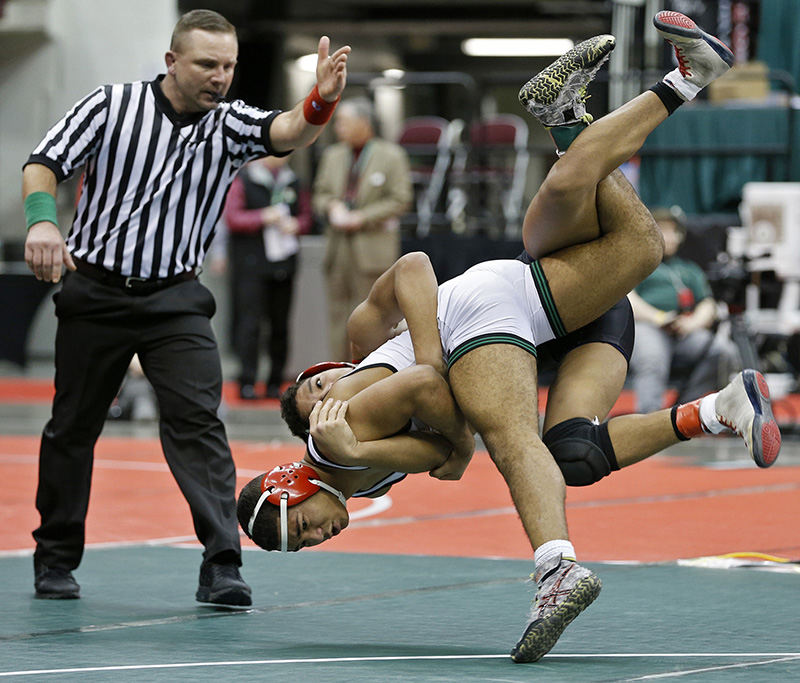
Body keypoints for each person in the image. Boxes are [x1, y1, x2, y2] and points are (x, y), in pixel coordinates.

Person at [239, 12, 771, 663]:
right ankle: (721, 408)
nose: (321, 537)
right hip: (527, 321)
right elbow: (449, 454)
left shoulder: (343, 421)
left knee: (513, 433)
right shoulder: (357, 466)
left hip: (477, 318)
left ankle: (556, 571)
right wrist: (443, 439)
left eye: (305, 529)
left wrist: (438, 378)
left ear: (290, 484)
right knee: (573, 450)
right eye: (311, 543)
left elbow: (435, 389)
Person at [22, 8, 350, 604]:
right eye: (206, 64)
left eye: (228, 66)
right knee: (72, 429)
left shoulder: (227, 125)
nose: (220, 77)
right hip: (94, 291)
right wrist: (43, 225)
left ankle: (223, 563)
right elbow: (44, 163)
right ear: (172, 62)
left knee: (199, 425)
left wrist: (320, 101)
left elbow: (287, 132)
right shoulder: (111, 105)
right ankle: (55, 558)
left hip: (176, 299)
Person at [312, 96, 413, 361]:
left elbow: (401, 199)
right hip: (337, 248)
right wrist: (332, 206)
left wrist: (362, 217)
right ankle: (337, 371)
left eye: (344, 122)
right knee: (337, 315)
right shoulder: (332, 155)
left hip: (372, 248)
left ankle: (368, 373)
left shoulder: (391, 155)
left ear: (364, 123)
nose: (339, 128)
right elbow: (319, 194)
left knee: (372, 318)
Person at [628, 206, 737, 413]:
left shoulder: (690, 270)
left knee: (722, 352)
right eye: (662, 230)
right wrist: (659, 317)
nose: (668, 237)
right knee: (653, 357)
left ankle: (683, 412)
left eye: (672, 231)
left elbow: (708, 304)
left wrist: (692, 323)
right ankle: (647, 421)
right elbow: (628, 299)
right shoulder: (639, 265)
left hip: (684, 331)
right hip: (648, 326)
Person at [222, 154, 312, 400]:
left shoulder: (293, 181)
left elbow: (307, 217)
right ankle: (247, 380)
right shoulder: (245, 178)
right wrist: (263, 217)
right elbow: (232, 217)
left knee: (280, 326)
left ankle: (275, 381)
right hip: (251, 263)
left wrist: (297, 225)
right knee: (249, 324)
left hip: (283, 264)